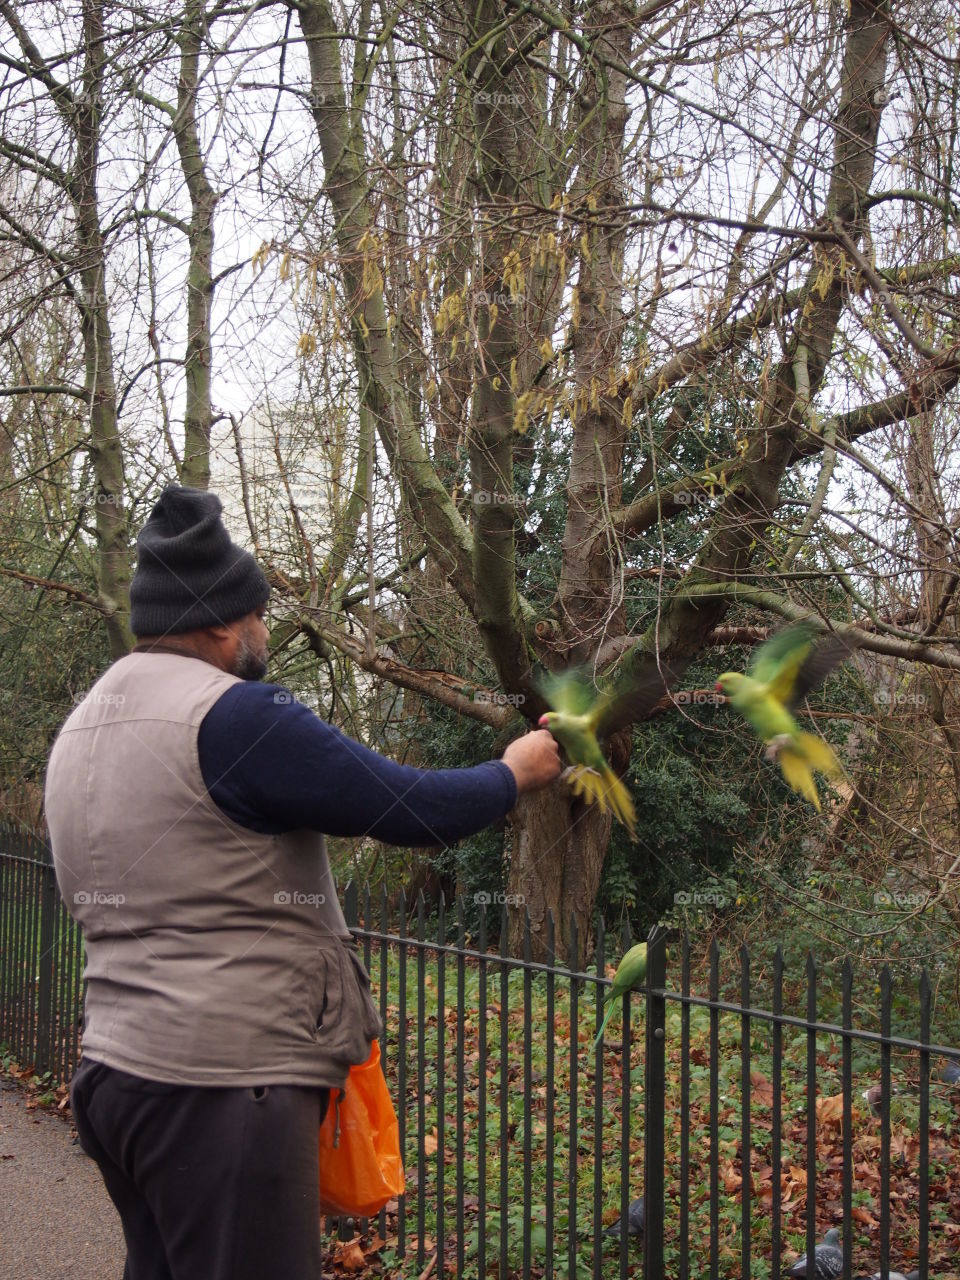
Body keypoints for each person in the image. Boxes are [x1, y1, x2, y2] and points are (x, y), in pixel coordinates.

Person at [44, 484, 561, 1280]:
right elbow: (408, 808)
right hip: (223, 1089)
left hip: (116, 1076)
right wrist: (511, 773)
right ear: (220, 619)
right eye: (257, 613)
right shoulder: (238, 716)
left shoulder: (82, 725)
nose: (265, 630)